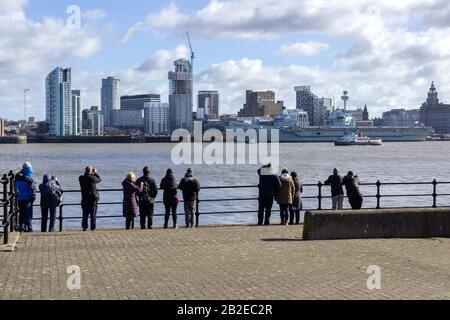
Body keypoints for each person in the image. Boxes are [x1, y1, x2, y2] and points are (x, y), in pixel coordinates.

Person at [15, 162, 36, 233]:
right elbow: (32, 190)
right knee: (29, 215)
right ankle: (30, 229)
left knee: (21, 214)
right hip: (28, 199)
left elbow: (15, 189)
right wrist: (32, 199)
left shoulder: (17, 178)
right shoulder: (29, 179)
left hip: (20, 199)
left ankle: (22, 228)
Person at [79, 166, 102, 231]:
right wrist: (95, 173)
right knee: (93, 214)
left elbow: (85, 176)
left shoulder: (81, 178)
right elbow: (100, 179)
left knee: (85, 214)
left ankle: (84, 227)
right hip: (92, 199)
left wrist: (89, 172)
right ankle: (93, 227)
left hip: (84, 198)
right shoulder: (93, 178)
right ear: (91, 171)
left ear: (85, 170)